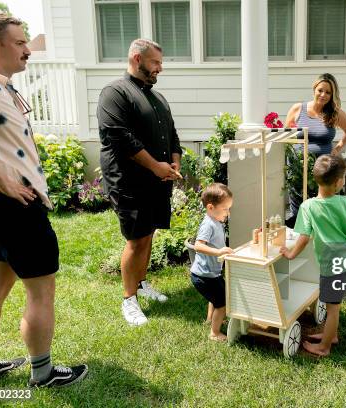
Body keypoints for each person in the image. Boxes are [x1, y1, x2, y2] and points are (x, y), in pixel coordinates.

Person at [0, 10, 87, 387]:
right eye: (20, 42)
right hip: (14, 206)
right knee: (41, 292)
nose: (28, 50)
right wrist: (7, 181)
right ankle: (43, 373)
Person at [97, 39, 183, 326]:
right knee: (136, 239)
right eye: (155, 62)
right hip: (128, 181)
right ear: (137, 58)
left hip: (158, 179)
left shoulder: (157, 98)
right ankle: (128, 299)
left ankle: (142, 283)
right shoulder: (115, 93)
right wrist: (155, 166)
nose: (160, 68)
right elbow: (120, 137)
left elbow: (172, 134)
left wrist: (173, 163)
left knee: (149, 234)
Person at [280, 154, 346, 357]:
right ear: (339, 181)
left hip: (331, 266)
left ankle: (325, 346)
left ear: (316, 179)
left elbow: (304, 238)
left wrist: (290, 254)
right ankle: (329, 335)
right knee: (334, 305)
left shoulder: (308, 207)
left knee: (333, 309)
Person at [283, 73, 346, 226]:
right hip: (297, 169)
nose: (323, 95)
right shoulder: (297, 109)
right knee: (298, 208)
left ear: (332, 95)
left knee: (320, 207)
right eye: (320, 90)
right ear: (314, 89)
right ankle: (301, 242)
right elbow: (285, 135)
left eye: (328, 92)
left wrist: (336, 150)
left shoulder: (335, 114)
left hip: (323, 169)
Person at [190, 183, 234, 342]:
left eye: (229, 209)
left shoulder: (216, 221)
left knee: (216, 297)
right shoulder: (208, 224)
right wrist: (219, 252)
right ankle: (214, 333)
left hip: (211, 273)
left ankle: (211, 319)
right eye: (225, 209)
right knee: (222, 303)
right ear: (210, 207)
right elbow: (198, 246)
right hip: (203, 275)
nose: (228, 213)